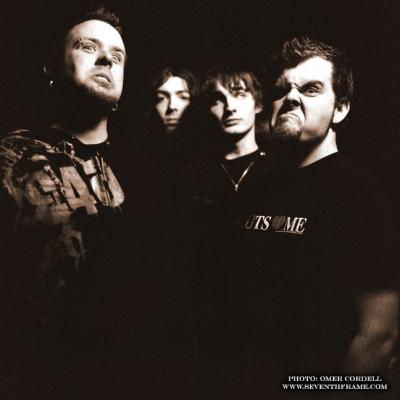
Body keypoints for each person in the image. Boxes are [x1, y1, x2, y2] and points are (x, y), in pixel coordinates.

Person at [0, 6, 173, 399]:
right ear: (51, 68)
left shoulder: (150, 177)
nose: (106, 59)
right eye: (88, 47)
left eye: (117, 55)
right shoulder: (9, 156)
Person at [237, 36, 399, 399]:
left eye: (310, 89)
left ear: (340, 109)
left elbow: (379, 337)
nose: (291, 98)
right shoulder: (255, 185)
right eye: (282, 89)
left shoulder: (360, 195)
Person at [176, 65, 278, 399]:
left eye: (239, 93)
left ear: (258, 103)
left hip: (269, 337)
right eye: (217, 99)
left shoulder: (282, 172)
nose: (230, 107)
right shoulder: (190, 176)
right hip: (207, 337)